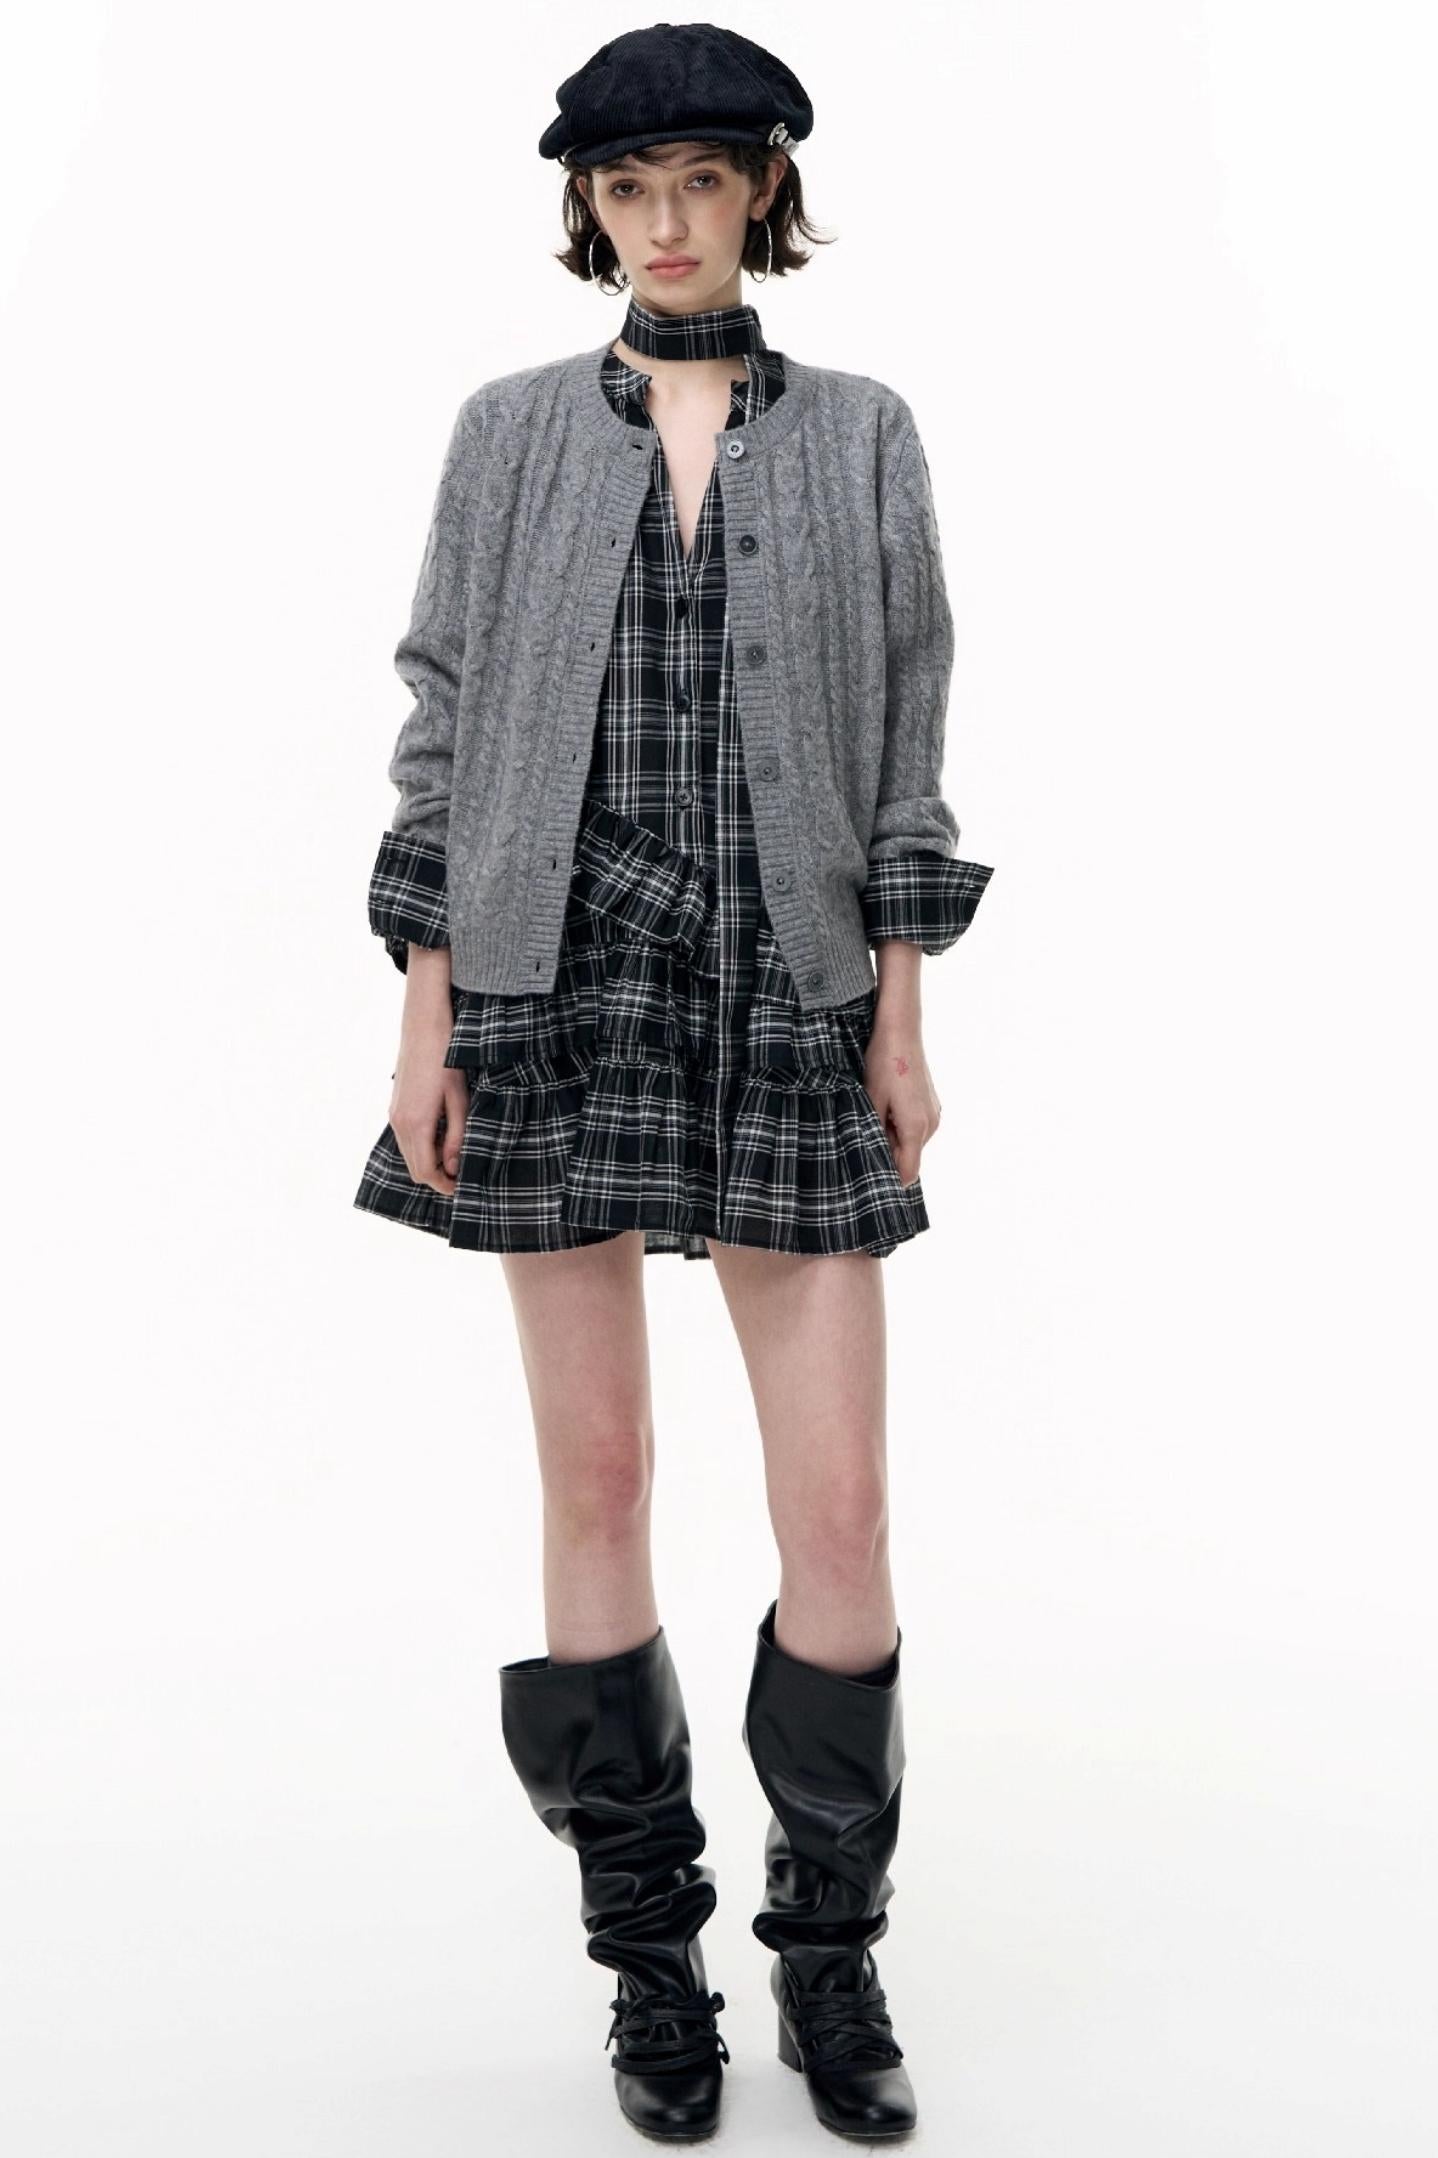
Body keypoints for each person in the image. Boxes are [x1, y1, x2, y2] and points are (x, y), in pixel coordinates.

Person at [353, 23, 994, 2143]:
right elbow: (443, 724)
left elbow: (903, 734)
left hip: (785, 988)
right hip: (551, 984)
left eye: (700, 182)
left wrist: (898, 1012)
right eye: (627, 190)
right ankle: (649, 1964)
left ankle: (829, 1954)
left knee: (839, 1507)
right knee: (601, 1477)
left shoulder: (865, 433)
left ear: (761, 195)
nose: (664, 221)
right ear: (587, 209)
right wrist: (428, 1018)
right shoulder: (509, 432)